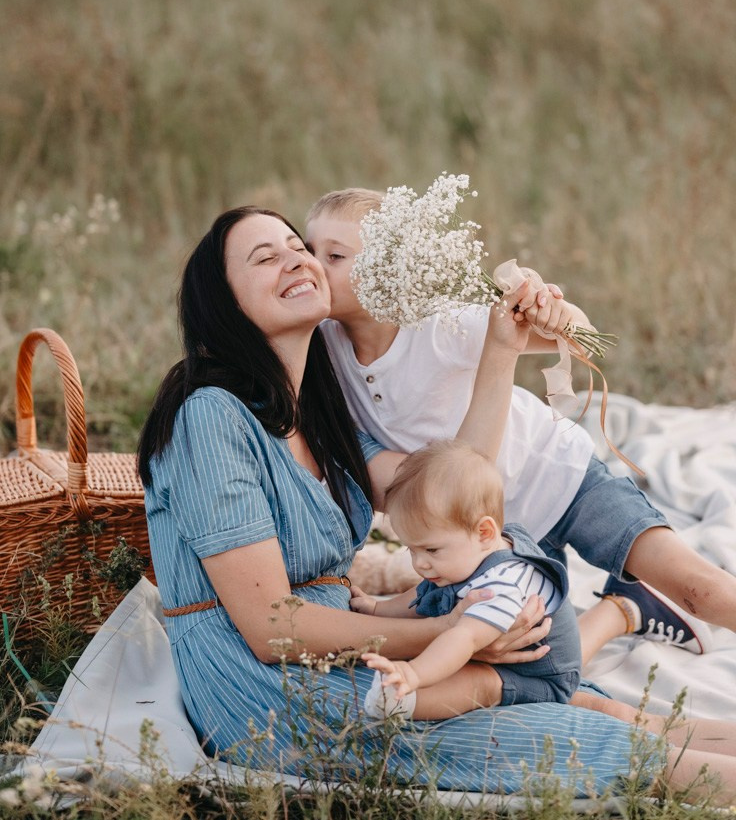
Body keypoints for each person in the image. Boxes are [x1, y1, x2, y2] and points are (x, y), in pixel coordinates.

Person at [137, 205, 736, 805]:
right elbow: (273, 628)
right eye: (266, 258)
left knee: (586, 703)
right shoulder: (210, 416)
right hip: (267, 689)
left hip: (346, 653)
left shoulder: (321, 414)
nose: (297, 258)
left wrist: (501, 348)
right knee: (583, 741)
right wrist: (448, 631)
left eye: (298, 247)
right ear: (223, 303)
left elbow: (454, 488)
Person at [305, 188, 736, 662]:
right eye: (309, 250)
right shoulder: (322, 352)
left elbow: (581, 341)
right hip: (494, 537)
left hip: (562, 478)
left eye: (335, 256)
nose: (312, 266)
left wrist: (552, 310)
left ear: (391, 270)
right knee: (544, 664)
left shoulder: (440, 326)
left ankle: (651, 598)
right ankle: (626, 608)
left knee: (701, 590)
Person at [354, 440, 581, 721]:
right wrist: (378, 609)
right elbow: (424, 595)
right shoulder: (469, 553)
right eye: (410, 549)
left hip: (538, 679)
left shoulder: (501, 586)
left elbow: (465, 637)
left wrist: (414, 673)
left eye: (430, 549)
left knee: (476, 682)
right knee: (439, 619)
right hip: (498, 650)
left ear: (485, 532)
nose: (419, 562)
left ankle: (402, 702)